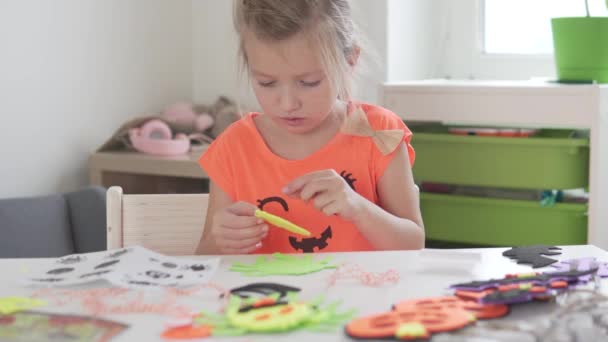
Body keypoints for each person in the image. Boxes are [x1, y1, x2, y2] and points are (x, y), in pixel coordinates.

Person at [196, 0, 424, 255]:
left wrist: (359, 208)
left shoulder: (378, 132)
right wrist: (222, 240)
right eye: (267, 83)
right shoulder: (233, 147)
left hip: (359, 293)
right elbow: (204, 257)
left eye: (309, 82)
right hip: (267, 295)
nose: (288, 103)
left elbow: (413, 244)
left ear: (349, 61)